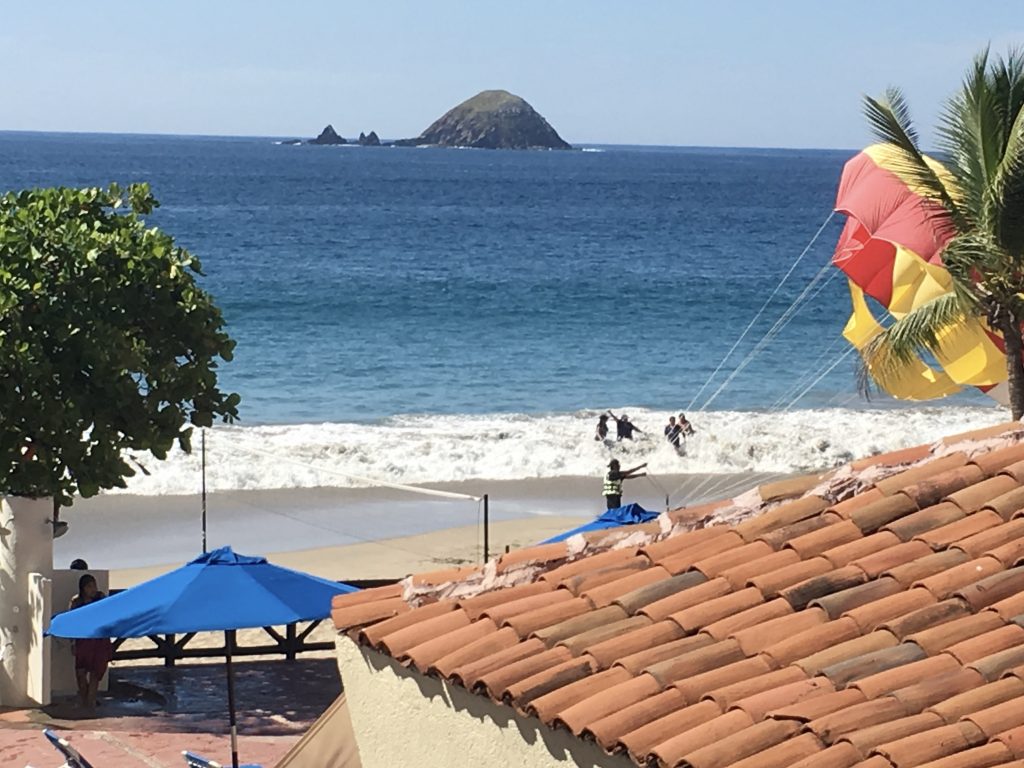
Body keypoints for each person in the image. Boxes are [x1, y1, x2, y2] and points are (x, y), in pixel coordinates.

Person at [69, 574, 113, 711]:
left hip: (99, 640)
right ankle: (86, 700)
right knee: (80, 673)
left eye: (94, 585)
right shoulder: (76, 602)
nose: (93, 589)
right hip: (83, 641)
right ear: (82, 588)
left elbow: (109, 614)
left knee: (95, 673)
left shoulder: (100, 598)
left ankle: (90, 703)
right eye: (89, 586)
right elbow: (71, 622)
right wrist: (72, 643)